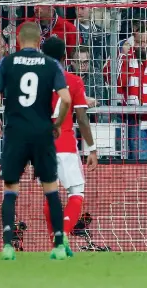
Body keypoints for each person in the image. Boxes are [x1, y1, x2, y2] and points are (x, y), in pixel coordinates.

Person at [0, 22, 72, 260]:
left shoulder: (7, 62)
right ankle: (57, 246)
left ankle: (7, 246)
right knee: (51, 188)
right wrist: (56, 124)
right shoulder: (51, 64)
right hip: (42, 131)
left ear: (18, 40)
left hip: (15, 132)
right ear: (38, 42)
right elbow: (65, 99)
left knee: (10, 188)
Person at [41, 37, 99, 257]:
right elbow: (82, 120)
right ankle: (62, 236)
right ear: (65, 57)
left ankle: (56, 242)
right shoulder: (73, 81)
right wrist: (91, 149)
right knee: (76, 192)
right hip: (65, 144)